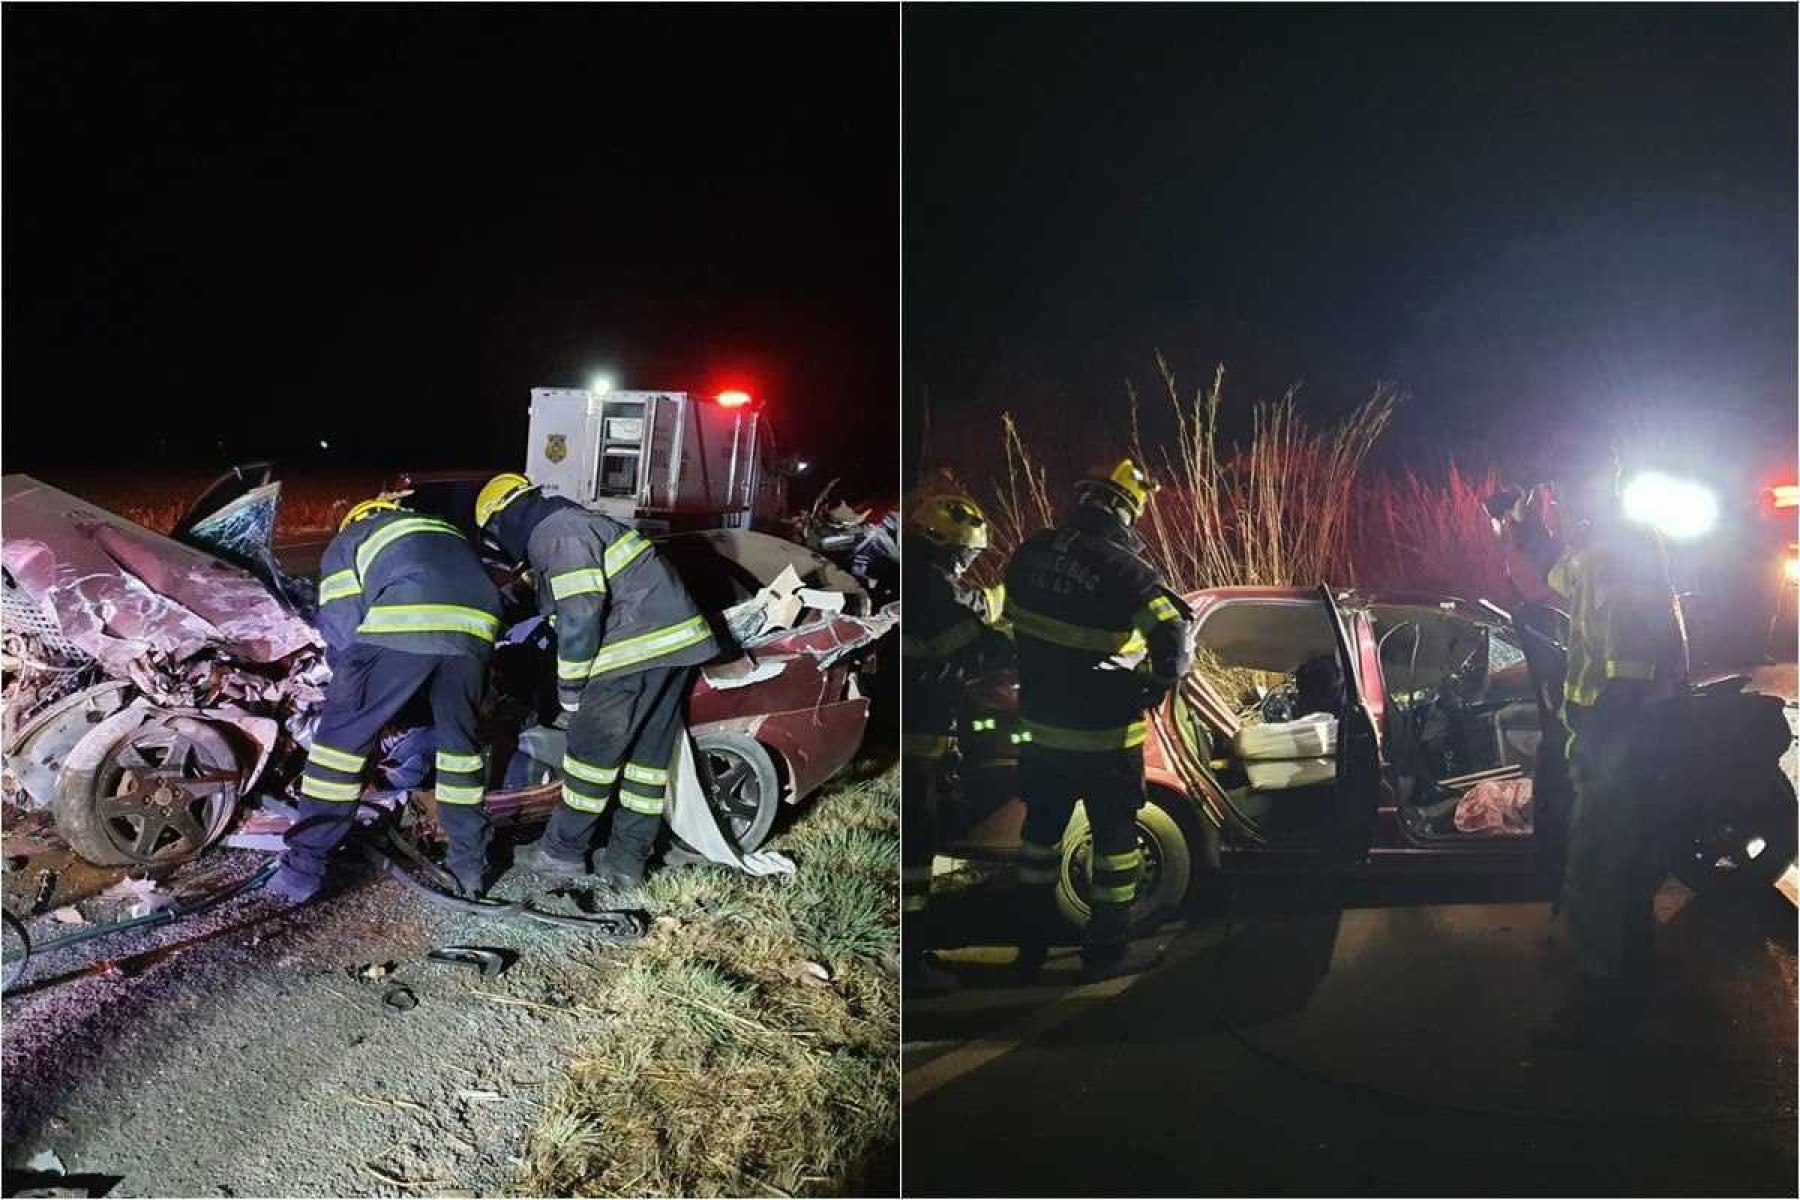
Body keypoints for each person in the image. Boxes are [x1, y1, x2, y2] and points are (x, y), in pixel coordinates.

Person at [1494, 470, 1687, 1048]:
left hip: (1617, 748)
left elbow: (1629, 667)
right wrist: (1525, 534)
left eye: (1569, 490)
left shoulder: (1618, 557)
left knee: (1597, 878)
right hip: (1605, 745)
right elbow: (1559, 572)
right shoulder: (1597, 553)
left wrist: (1601, 739)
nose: (1562, 501)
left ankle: (1600, 1016)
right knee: (1620, 881)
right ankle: (1627, 996)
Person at [474, 473, 720, 889]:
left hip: (632, 652)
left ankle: (563, 853)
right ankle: (626, 862)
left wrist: (570, 693)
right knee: (646, 764)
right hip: (673, 649)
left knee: (590, 759)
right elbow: (533, 592)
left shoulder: (558, 533)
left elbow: (580, 615)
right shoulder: (574, 524)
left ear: (503, 520)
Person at [1004, 459, 1194, 977]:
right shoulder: (1124, 569)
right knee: (1115, 849)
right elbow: (1174, 638)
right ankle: (1106, 950)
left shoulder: (1030, 553)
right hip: (1105, 739)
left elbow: (1007, 629)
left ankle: (1031, 946)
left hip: (1041, 735)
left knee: (1039, 842)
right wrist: (1155, 684)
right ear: (1125, 509)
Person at [272, 497, 503, 901]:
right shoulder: (438, 527)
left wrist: (349, 689)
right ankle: (471, 868)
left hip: (403, 626)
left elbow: (342, 624)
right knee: (460, 751)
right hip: (475, 635)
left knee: (337, 752)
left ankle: (301, 871)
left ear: (355, 520)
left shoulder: (351, 539)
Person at [900, 493, 1008, 993]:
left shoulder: (919, 579)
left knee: (919, 843)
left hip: (916, 734)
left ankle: (911, 950)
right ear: (941, 546)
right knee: (916, 850)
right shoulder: (930, 590)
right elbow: (964, 637)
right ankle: (911, 961)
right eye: (964, 555)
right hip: (915, 739)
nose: (967, 564)